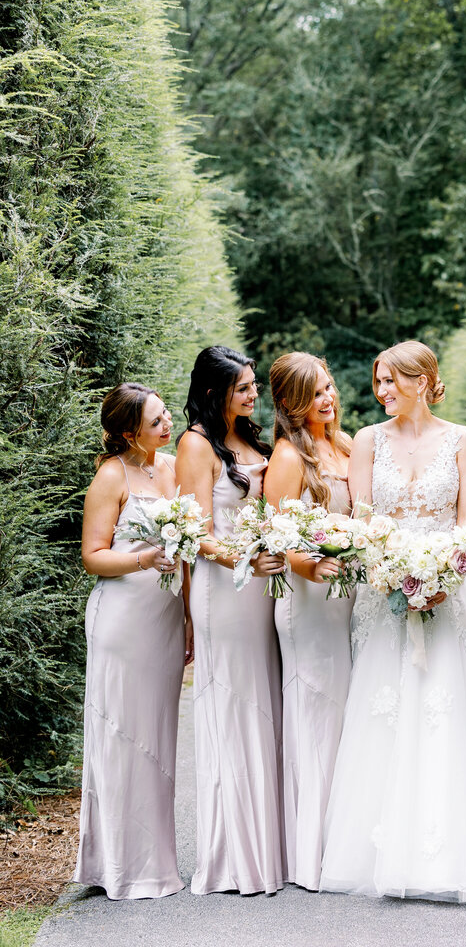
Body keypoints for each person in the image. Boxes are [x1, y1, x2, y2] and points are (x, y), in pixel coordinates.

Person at [320, 341, 466, 902]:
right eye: (378, 384)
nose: (382, 393)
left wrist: (441, 575)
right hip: (384, 592)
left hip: (448, 592)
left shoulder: (461, 439)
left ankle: (458, 853)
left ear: (422, 379)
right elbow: (363, 521)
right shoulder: (367, 441)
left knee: (449, 709)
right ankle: (381, 851)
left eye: (391, 382)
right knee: (386, 709)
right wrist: (391, 573)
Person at [175, 345, 284, 896]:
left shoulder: (250, 440)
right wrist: (243, 557)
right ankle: (236, 854)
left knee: (265, 700)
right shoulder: (195, 446)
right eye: (243, 388)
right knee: (234, 703)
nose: (253, 394)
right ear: (215, 392)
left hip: (263, 586)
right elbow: (195, 533)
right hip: (226, 588)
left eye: (253, 386)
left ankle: (271, 842)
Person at [74, 382, 189, 900]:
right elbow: (94, 556)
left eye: (167, 415)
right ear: (129, 432)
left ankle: (157, 863)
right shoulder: (110, 476)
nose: (168, 425)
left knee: (158, 740)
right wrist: (145, 558)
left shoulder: (169, 470)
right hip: (122, 619)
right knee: (122, 737)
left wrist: (188, 617)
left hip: (163, 619)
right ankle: (118, 865)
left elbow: (186, 550)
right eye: (157, 421)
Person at [266, 352, 353, 891]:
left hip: (346, 597)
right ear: (293, 404)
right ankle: (310, 851)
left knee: (346, 715)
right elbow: (279, 537)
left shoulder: (342, 446)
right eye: (316, 393)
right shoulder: (288, 457)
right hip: (308, 599)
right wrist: (313, 564)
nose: (329, 398)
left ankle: (342, 838)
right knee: (315, 714)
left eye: (329, 386)